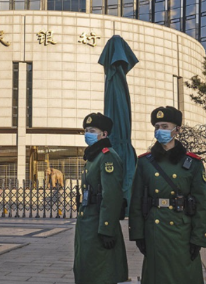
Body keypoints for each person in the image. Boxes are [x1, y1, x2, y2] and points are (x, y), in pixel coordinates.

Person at [129, 106, 206, 284]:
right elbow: (136, 201)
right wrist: (138, 234)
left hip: (182, 232)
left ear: (177, 130)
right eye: (157, 127)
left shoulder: (192, 163)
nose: (160, 131)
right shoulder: (144, 162)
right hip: (154, 230)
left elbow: (202, 204)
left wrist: (199, 238)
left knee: (182, 276)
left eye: (165, 126)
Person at [73, 112, 128, 284]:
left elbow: (111, 195)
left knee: (101, 272)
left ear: (104, 134)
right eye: (86, 131)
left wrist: (106, 229)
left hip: (98, 224)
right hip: (88, 223)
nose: (87, 134)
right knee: (87, 269)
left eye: (92, 131)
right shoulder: (93, 157)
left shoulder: (107, 156)